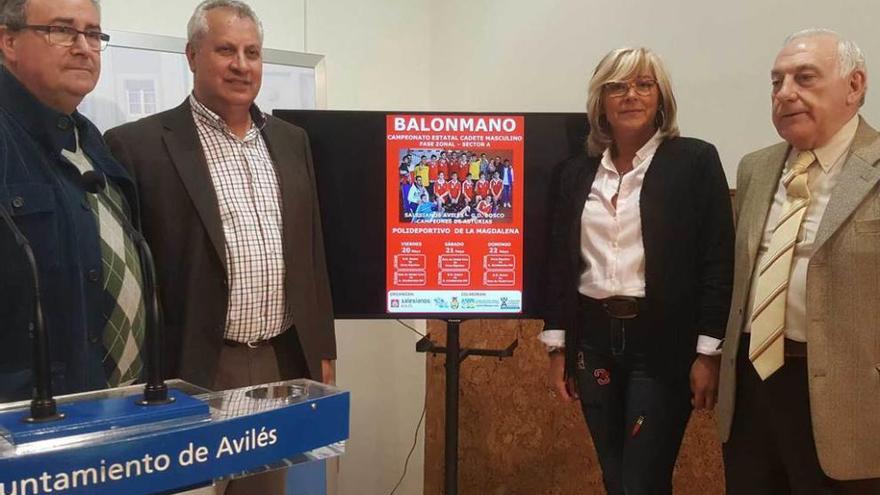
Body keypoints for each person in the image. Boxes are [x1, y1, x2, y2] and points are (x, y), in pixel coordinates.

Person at [103, 2, 336, 493]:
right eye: (225, 50)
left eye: (252, 52)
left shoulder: (292, 142)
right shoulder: (136, 146)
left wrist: (323, 352)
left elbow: (312, 253)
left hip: (281, 360)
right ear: (191, 56)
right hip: (192, 363)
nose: (241, 64)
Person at [540, 47, 734, 495]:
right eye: (618, 86)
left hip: (662, 345)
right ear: (601, 101)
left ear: (661, 98)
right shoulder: (575, 173)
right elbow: (558, 261)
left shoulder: (694, 162)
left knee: (641, 482)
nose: (631, 95)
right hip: (592, 342)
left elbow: (717, 260)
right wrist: (556, 348)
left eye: (644, 84)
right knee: (614, 475)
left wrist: (708, 353)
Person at [716, 29, 880, 494]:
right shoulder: (755, 168)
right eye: (776, 82)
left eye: (804, 78)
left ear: (854, 85)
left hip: (850, 401)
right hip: (752, 390)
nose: (785, 94)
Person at [0, 0, 146, 400]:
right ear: (9, 41)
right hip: (28, 426)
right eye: (62, 30)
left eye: (93, 33)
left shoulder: (92, 140)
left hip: (120, 407)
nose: (83, 46)